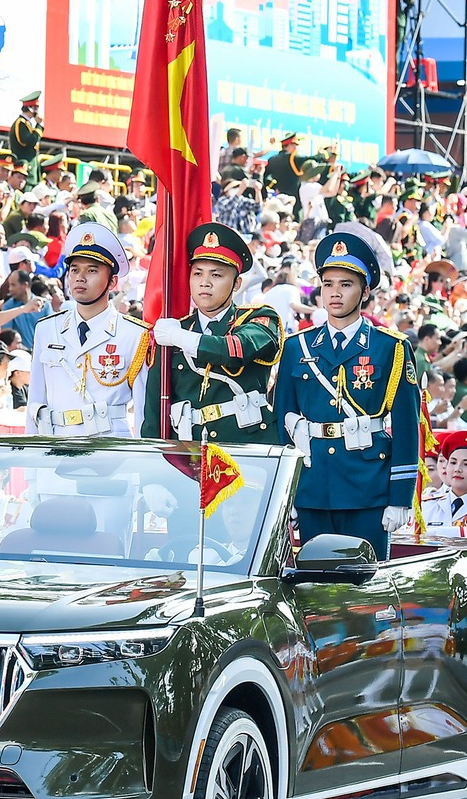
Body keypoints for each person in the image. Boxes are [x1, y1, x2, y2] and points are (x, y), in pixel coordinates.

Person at [273, 223, 421, 557]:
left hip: (368, 484)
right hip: (312, 487)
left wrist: (400, 497)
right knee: (315, 588)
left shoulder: (390, 347)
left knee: (367, 591)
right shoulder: (298, 346)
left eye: (346, 284)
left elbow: (407, 427)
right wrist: (286, 492)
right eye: (328, 285)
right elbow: (282, 419)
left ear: (365, 292)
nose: (335, 293)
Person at [141, 222, 283, 444]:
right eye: (197, 273)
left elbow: (235, 350)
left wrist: (179, 338)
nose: (204, 282)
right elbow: (153, 409)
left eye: (216, 275)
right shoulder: (176, 329)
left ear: (236, 284)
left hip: (246, 445)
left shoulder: (258, 319)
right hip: (189, 450)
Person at [26, 222, 146, 438]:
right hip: (56, 447)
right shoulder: (47, 328)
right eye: (74, 270)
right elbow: (35, 403)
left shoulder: (134, 334)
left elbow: (143, 413)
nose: (80, 277)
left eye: (92, 270)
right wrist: (32, 469)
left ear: (112, 282)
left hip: (110, 451)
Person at [9, 92, 43, 165]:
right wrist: (39, 126)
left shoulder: (27, 123)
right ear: (31, 109)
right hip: (24, 164)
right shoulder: (21, 123)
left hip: (29, 164)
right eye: (36, 108)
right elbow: (30, 141)